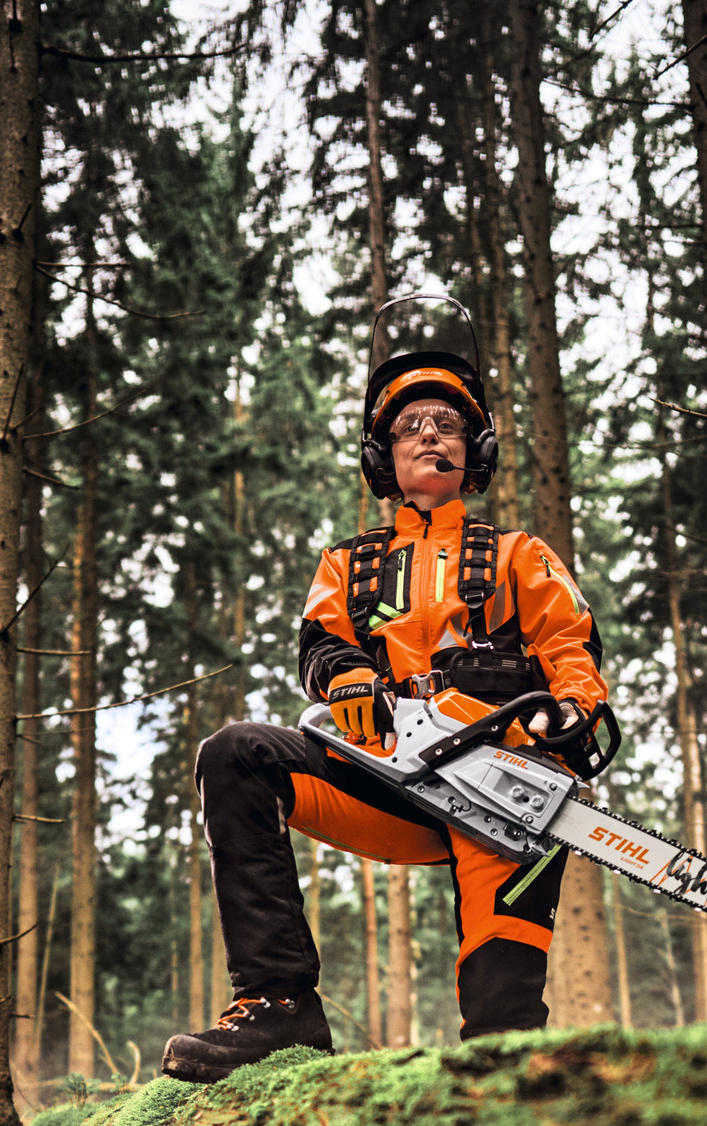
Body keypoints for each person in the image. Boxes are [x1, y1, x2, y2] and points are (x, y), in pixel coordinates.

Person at [160, 334, 607, 1082]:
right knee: (236, 754)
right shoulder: (349, 562)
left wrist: (569, 711)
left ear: (477, 448)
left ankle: (503, 1093)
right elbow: (321, 645)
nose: (430, 433)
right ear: (382, 456)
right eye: (410, 425)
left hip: (503, 783)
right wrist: (348, 680)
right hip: (389, 775)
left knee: (503, 1026)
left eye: (448, 423)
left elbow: (572, 646)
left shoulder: (519, 555)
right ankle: (279, 1005)